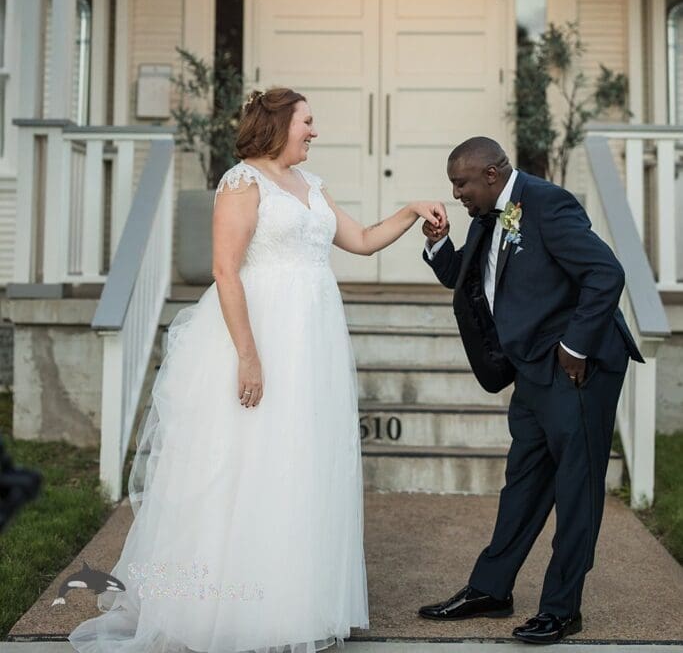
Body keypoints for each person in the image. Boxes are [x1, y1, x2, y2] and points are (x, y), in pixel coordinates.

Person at [69, 86, 447, 653]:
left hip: (311, 344)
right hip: (261, 336)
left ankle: (287, 605)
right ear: (279, 126)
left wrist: (411, 210)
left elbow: (363, 241)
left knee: (297, 468)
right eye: (308, 123)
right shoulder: (243, 183)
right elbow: (225, 269)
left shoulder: (311, 187)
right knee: (246, 466)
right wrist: (248, 354)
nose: (315, 132)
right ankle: (226, 610)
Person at [417, 136, 643, 645]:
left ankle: (562, 609)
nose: (455, 193)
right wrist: (439, 244)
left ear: (492, 174)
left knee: (575, 491)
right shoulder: (487, 216)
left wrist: (576, 346)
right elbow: (471, 282)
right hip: (532, 372)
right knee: (522, 484)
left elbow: (606, 273)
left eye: (461, 183)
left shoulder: (547, 204)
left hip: (577, 371)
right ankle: (490, 590)